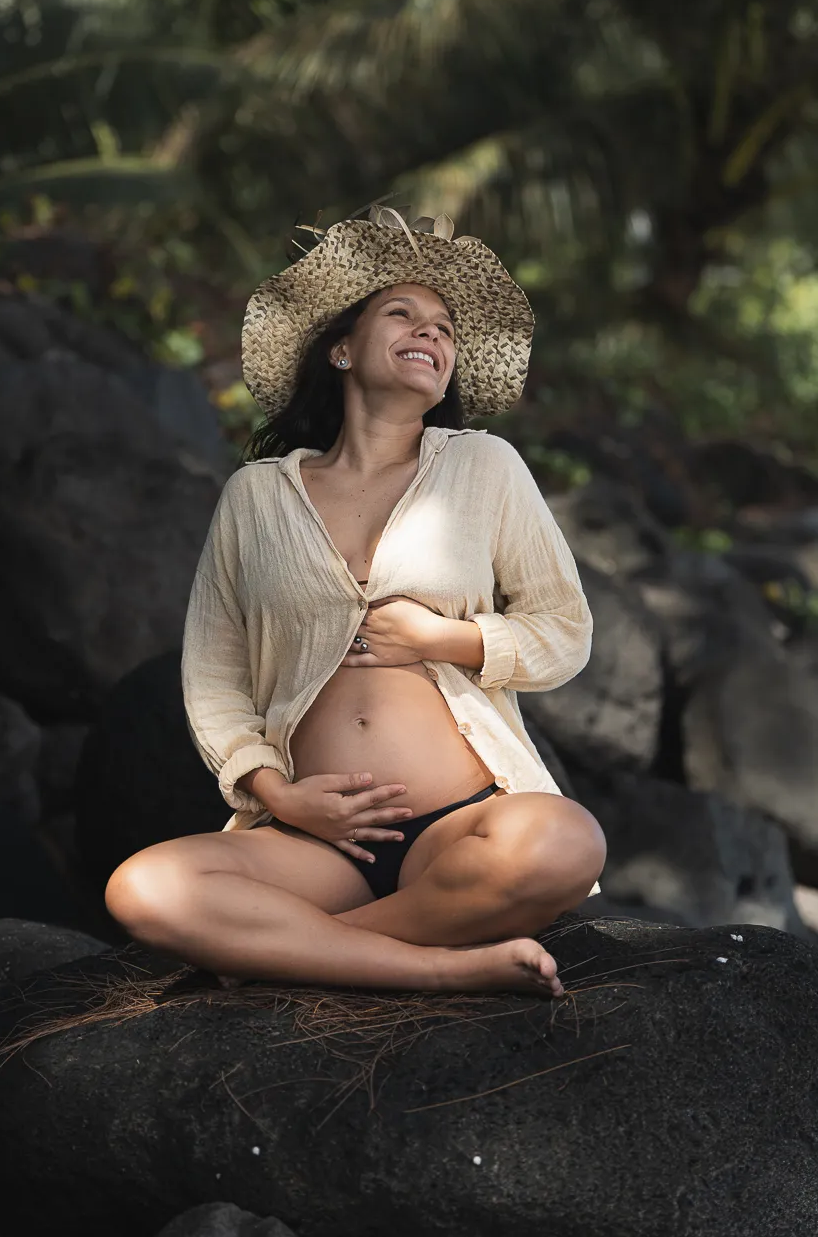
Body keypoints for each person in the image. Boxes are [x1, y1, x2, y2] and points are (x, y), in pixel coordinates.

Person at [105, 205, 607, 997]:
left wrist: (447, 639)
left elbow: (565, 630)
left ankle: (297, 955)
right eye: (401, 314)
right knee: (142, 888)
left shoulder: (486, 468)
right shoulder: (256, 497)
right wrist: (278, 795)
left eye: (444, 328)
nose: (431, 334)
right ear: (340, 348)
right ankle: (436, 968)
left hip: (460, 825)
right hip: (314, 844)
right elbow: (213, 673)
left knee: (565, 843)